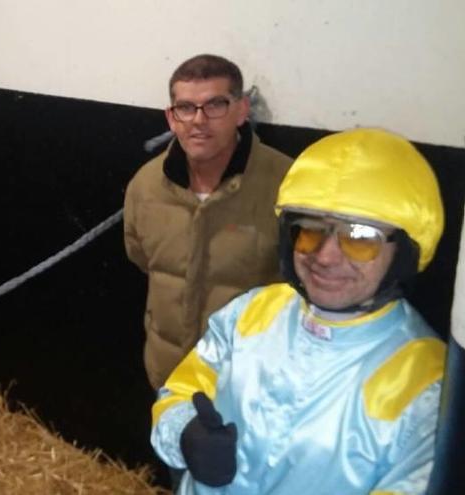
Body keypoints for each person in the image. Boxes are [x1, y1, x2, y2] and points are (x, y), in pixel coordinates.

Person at [150, 127, 446, 494]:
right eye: (310, 229)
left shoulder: (426, 384)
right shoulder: (252, 312)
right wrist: (185, 433)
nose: (324, 256)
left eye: (359, 238)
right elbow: (178, 394)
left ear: (404, 251)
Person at [124, 54, 293, 390]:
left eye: (215, 105)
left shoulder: (288, 185)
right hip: (168, 374)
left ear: (242, 110)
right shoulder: (145, 186)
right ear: (171, 118)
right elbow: (141, 258)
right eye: (185, 108)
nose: (198, 121)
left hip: (248, 382)